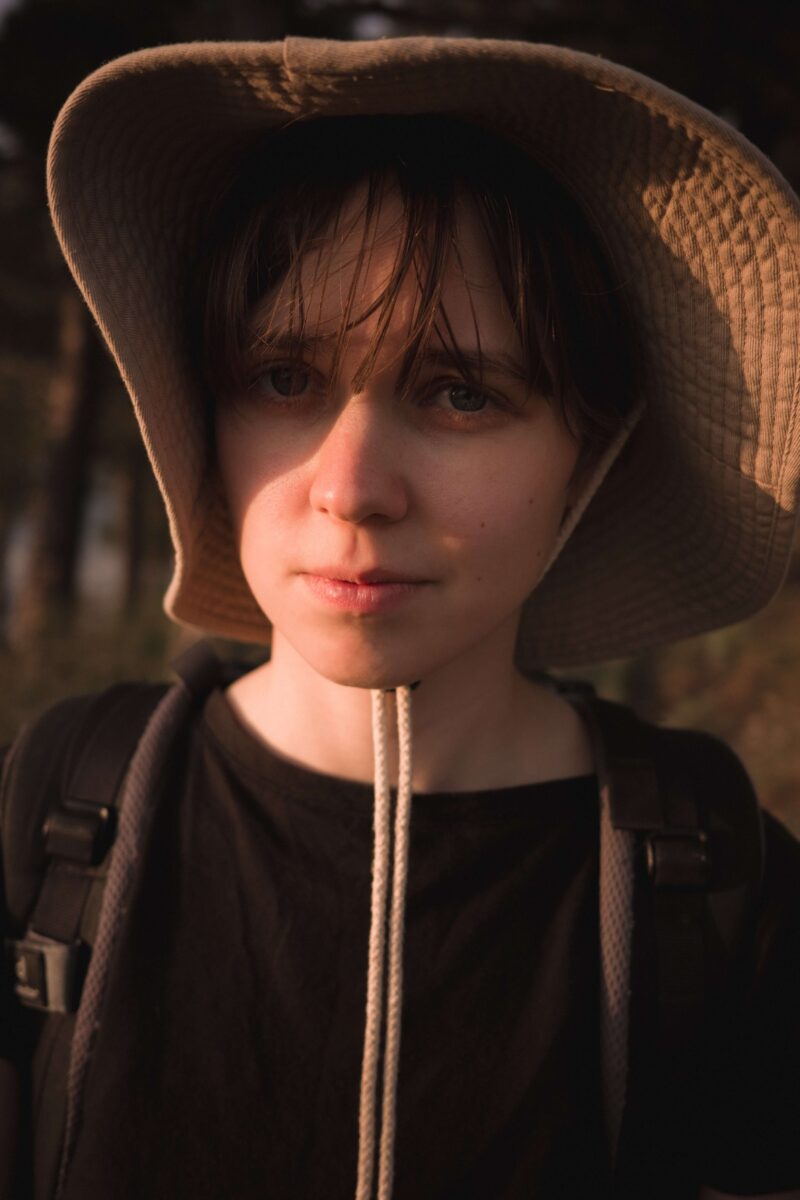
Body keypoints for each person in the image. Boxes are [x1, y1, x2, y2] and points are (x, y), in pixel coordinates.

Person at [2, 35, 800, 1200]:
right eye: (283, 379)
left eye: (459, 393)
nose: (351, 486)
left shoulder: (721, 892)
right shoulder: (57, 819)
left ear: (589, 455)